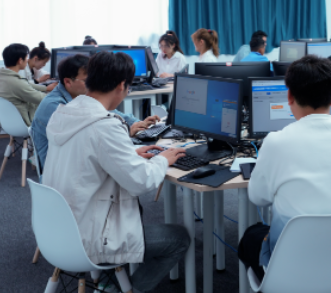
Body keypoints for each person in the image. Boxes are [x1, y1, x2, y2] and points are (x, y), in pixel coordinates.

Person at [42, 51, 189, 293]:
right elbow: (141, 182)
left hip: (56, 230)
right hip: (89, 237)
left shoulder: (64, 113)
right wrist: (162, 160)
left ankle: (110, 282)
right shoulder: (103, 126)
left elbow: (88, 157)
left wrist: (131, 154)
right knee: (178, 238)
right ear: (122, 86)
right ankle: (119, 290)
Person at [237, 55, 331, 280]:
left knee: (251, 236)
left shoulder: (275, 142)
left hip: (290, 265)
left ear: (289, 96)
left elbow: (258, 197)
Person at [32, 54, 160, 169]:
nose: (93, 84)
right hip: (61, 172)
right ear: (68, 82)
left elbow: (112, 112)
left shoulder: (80, 98)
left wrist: (137, 123)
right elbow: (91, 139)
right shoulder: (56, 107)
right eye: (87, 80)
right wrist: (127, 132)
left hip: (76, 165)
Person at [0, 44, 56, 125]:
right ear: (20, 60)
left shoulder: (4, 75)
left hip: (7, 122)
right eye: (26, 58)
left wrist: (45, 88)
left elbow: (26, 84)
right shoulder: (17, 82)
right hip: (23, 123)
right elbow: (42, 98)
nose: (27, 60)